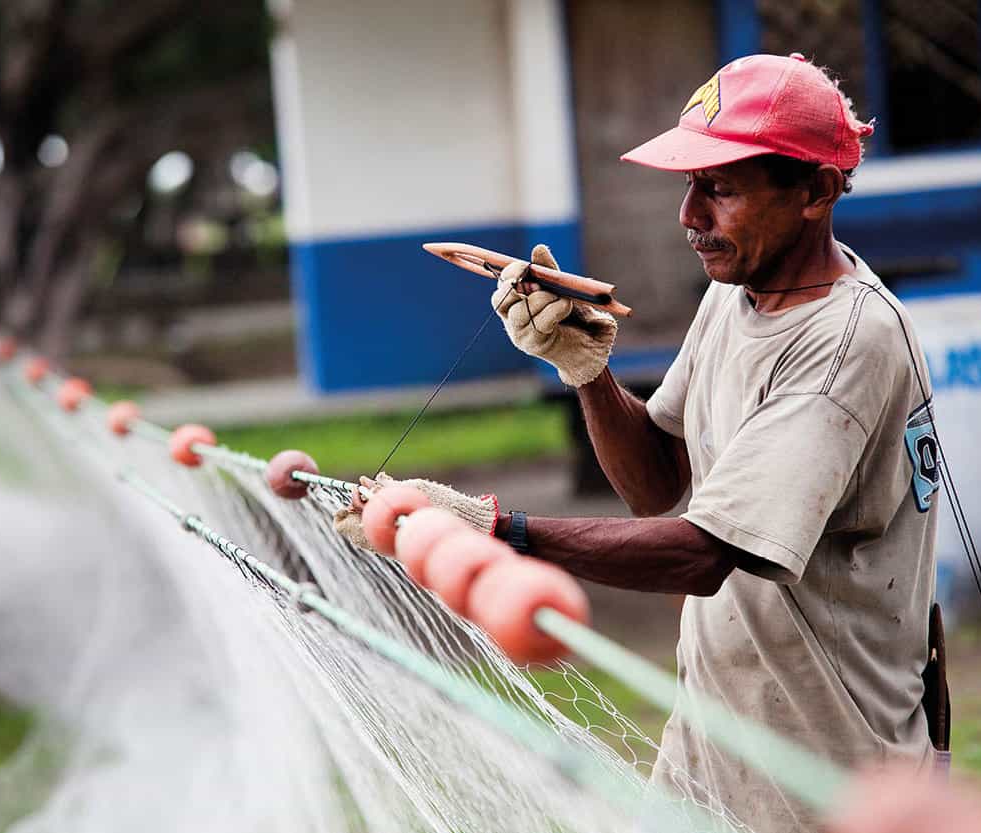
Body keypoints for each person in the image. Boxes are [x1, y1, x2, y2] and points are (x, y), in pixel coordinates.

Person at [336, 53, 940, 833]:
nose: (689, 215)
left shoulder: (842, 345)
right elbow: (655, 481)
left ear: (814, 192)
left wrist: (496, 530)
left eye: (719, 187)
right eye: (687, 184)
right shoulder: (743, 293)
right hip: (713, 748)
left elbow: (705, 552)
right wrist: (586, 370)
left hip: (824, 784)